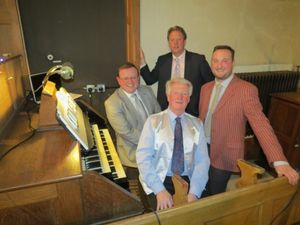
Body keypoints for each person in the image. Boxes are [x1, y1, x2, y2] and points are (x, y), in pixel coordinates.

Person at [199, 45, 299, 196]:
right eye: (215, 61)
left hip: (224, 152)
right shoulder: (205, 88)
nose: (219, 65)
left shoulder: (246, 89)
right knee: (201, 184)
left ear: (233, 63)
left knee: (215, 191)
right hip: (202, 148)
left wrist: (279, 160)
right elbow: (203, 119)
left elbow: (261, 124)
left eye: (224, 60)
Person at [136, 77, 210, 211]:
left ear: (189, 98)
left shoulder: (197, 124)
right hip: (159, 178)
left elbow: (202, 160)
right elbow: (143, 159)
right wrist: (159, 191)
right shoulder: (153, 122)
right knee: (163, 218)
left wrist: (194, 192)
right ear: (168, 96)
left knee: (194, 216)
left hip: (187, 179)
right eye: (176, 93)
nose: (180, 97)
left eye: (185, 94)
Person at [140, 25, 214, 117]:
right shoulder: (162, 60)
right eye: (172, 40)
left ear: (184, 41)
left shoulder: (198, 60)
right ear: (168, 42)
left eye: (179, 39)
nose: (175, 43)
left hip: (191, 112)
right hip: (166, 112)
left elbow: (211, 84)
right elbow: (150, 80)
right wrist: (142, 61)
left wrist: (205, 105)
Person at [104, 62, 161, 179]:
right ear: (118, 80)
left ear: (138, 78)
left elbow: (159, 116)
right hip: (134, 156)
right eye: (125, 78)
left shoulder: (147, 91)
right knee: (142, 195)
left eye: (133, 77)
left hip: (158, 150)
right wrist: (153, 143)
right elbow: (127, 132)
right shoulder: (112, 103)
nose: (130, 82)